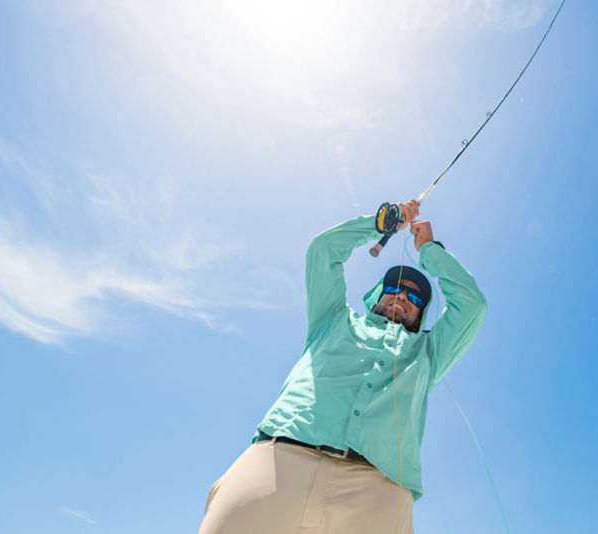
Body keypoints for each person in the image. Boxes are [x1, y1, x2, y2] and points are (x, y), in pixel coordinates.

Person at [198, 200, 486, 534]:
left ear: (422, 314)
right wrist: (380, 223)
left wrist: (430, 251)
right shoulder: (332, 318)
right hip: (280, 459)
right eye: (394, 288)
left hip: (379, 487)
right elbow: (323, 251)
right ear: (377, 294)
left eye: (416, 297)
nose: (402, 297)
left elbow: (473, 305)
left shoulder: (429, 352)